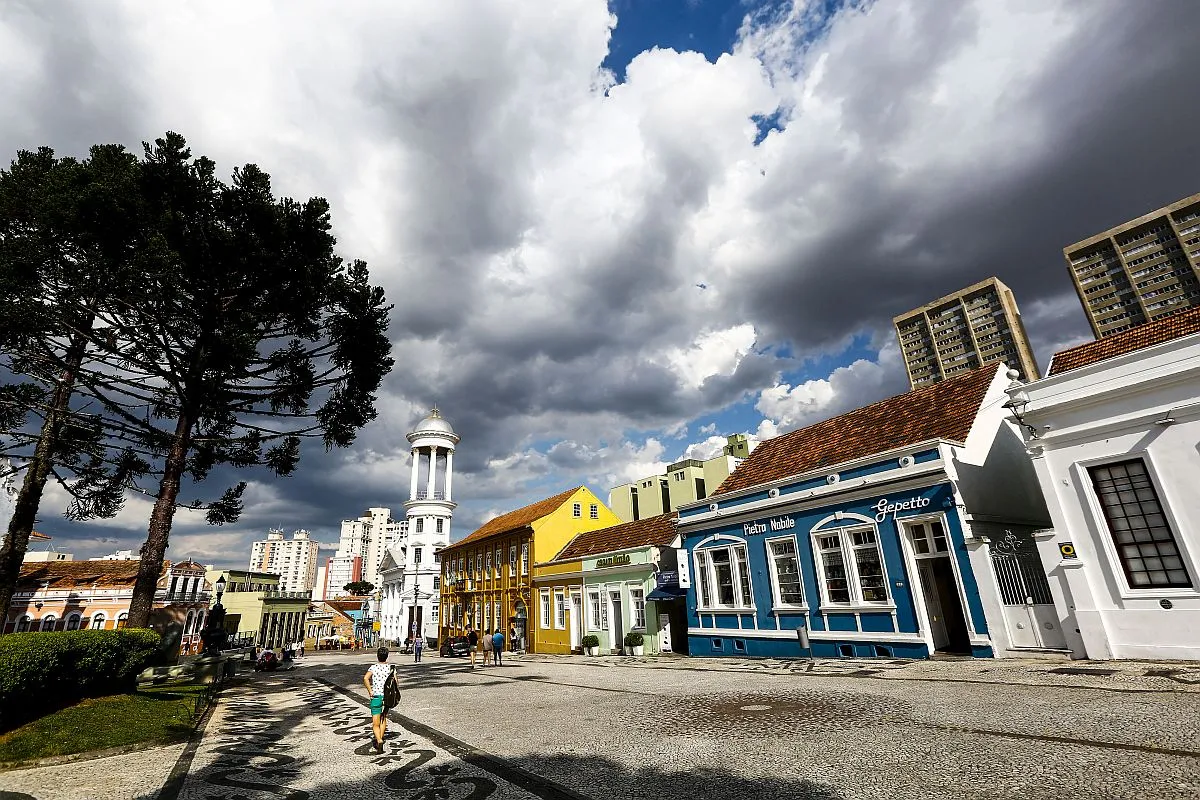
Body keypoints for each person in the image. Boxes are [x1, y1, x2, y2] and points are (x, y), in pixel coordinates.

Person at [363, 647, 393, 754]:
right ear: (387, 656)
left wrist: (370, 691)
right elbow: (396, 683)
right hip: (386, 697)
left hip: (376, 696)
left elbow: (366, 678)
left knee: (375, 723)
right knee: (383, 718)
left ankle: (379, 740)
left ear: (377, 656)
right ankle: (381, 738)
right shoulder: (391, 668)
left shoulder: (373, 667)